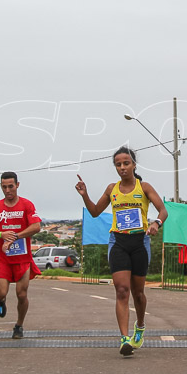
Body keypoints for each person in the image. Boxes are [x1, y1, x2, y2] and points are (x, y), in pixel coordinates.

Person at [75, 147, 167, 357]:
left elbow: (163, 210)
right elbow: (95, 212)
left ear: (134, 164)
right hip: (118, 241)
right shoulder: (111, 189)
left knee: (138, 293)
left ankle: (140, 325)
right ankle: (125, 339)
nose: (122, 168)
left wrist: (156, 223)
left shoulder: (143, 187)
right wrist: (84, 194)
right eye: (118, 164)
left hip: (140, 243)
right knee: (122, 290)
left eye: (126, 163)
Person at [0, 171, 42, 339]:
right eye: (4, 187)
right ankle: (1, 301)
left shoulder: (26, 205)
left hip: (23, 259)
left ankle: (19, 325)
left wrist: (15, 236)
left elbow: (36, 226)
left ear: (17, 185)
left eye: (11, 186)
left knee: (22, 294)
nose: (8, 190)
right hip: (3, 259)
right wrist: (1, 235)